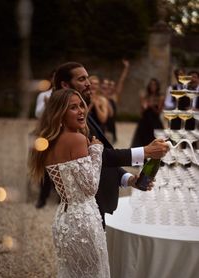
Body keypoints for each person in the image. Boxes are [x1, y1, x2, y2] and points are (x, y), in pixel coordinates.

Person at [0, 88, 117, 278]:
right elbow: (90, 186)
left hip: (65, 220)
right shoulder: (76, 139)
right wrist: (96, 151)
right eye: (73, 107)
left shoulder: (51, 139)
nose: (81, 110)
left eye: (82, 105)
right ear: (61, 113)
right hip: (83, 222)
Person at [53, 62, 169, 225]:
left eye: (87, 77)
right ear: (65, 84)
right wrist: (145, 152)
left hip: (100, 207)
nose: (88, 83)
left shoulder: (80, 114)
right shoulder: (64, 122)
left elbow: (102, 155)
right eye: (82, 79)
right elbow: (100, 156)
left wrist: (128, 179)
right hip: (87, 210)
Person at [34, 71, 55, 208]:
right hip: (47, 133)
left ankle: (61, 198)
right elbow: (37, 114)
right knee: (46, 165)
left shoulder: (67, 95)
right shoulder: (43, 95)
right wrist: (47, 105)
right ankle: (43, 197)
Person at [131, 78, 164, 147]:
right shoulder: (146, 96)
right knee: (141, 143)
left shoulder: (160, 97)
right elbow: (141, 112)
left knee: (156, 142)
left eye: (154, 85)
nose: (153, 86)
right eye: (151, 84)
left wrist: (151, 105)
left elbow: (158, 112)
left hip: (155, 122)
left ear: (157, 86)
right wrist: (143, 103)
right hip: (144, 122)